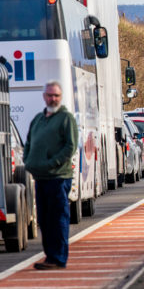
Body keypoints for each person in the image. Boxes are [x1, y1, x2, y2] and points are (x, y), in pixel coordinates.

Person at [24, 81, 78, 270]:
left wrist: (52, 163)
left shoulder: (66, 118)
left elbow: (70, 147)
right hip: (41, 178)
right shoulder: (39, 119)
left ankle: (59, 258)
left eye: (56, 96)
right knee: (44, 219)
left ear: (60, 97)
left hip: (58, 177)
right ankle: (50, 257)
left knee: (58, 218)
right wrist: (28, 161)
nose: (52, 99)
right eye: (49, 95)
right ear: (44, 96)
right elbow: (29, 142)